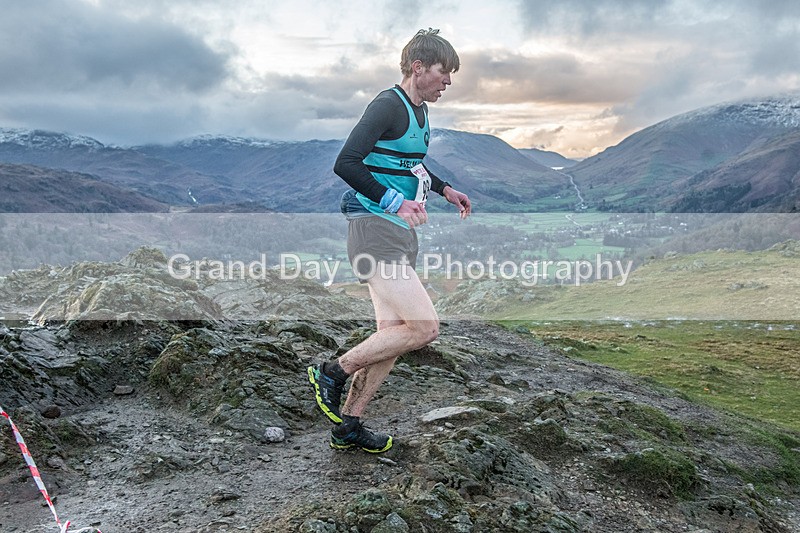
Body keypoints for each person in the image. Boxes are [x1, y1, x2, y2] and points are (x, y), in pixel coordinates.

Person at [307, 28, 471, 453]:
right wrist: (395, 202)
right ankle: (332, 371)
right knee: (424, 327)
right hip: (372, 228)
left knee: (393, 333)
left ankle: (349, 425)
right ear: (418, 68)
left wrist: (444, 189)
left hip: (395, 232)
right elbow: (346, 162)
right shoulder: (386, 105)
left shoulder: (420, 112)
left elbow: (409, 164)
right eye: (443, 72)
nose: (448, 82)